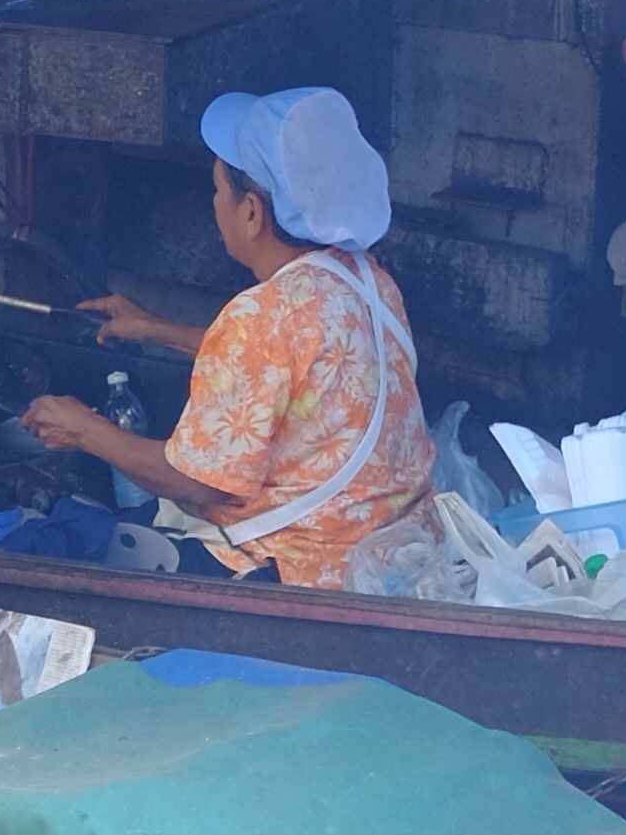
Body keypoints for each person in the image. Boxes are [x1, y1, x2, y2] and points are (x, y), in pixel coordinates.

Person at [25, 85, 431, 586]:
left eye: (218, 191)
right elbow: (290, 368)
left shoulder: (260, 317)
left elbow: (194, 483)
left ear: (252, 213)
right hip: (393, 547)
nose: (215, 204)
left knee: (61, 541)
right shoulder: (368, 281)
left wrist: (84, 429)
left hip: (303, 572)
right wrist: (154, 329)